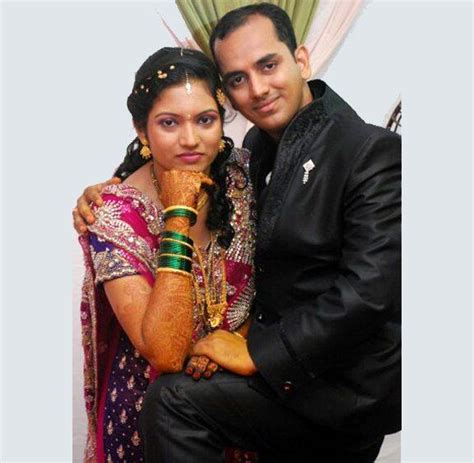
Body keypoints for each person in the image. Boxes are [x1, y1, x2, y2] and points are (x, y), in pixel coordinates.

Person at [74, 4, 401, 462]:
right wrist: (115, 190)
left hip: (334, 392)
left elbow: (369, 291)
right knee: (171, 401)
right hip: (255, 380)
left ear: (302, 60)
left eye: (268, 65)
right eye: (238, 78)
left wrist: (257, 353)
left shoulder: (370, 151)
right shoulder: (253, 154)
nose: (258, 89)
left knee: (173, 404)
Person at [78, 46, 256, 463]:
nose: (190, 139)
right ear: (142, 131)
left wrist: (239, 339)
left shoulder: (244, 174)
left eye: (205, 120)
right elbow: (166, 352)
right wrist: (178, 214)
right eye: (169, 123)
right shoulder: (114, 215)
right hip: (150, 415)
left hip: (242, 399)